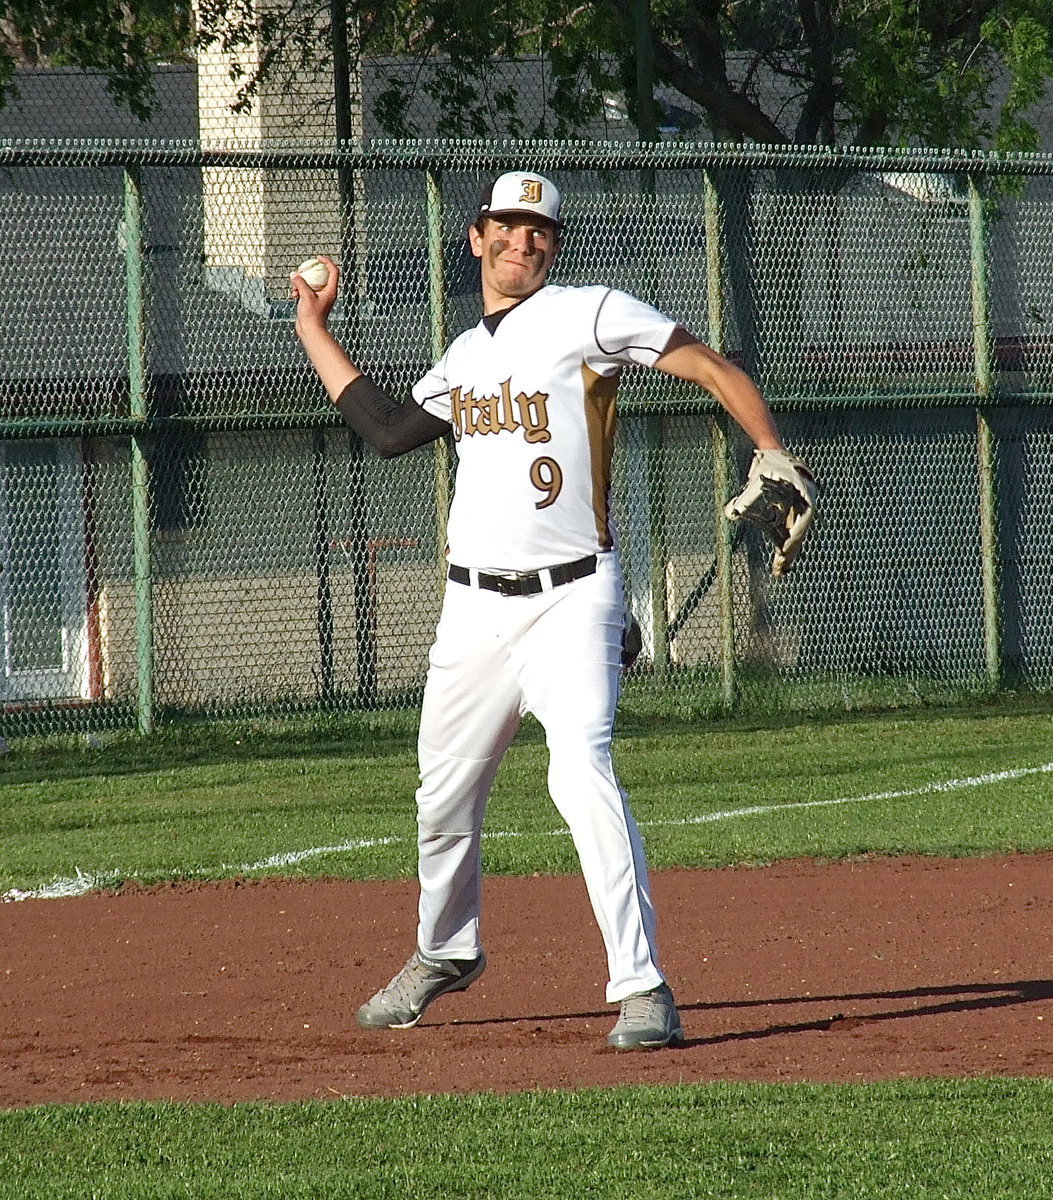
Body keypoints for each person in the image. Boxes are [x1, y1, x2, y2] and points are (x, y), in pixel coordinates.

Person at [291, 170, 816, 1050]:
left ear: (553, 246)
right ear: (476, 237)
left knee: (581, 774)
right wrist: (313, 328)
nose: (521, 241)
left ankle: (643, 988)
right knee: (442, 797)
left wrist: (768, 447)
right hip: (471, 610)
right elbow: (385, 431)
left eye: (538, 230)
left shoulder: (590, 313)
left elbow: (706, 363)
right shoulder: (463, 356)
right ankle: (445, 951)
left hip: (575, 595)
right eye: (507, 225)